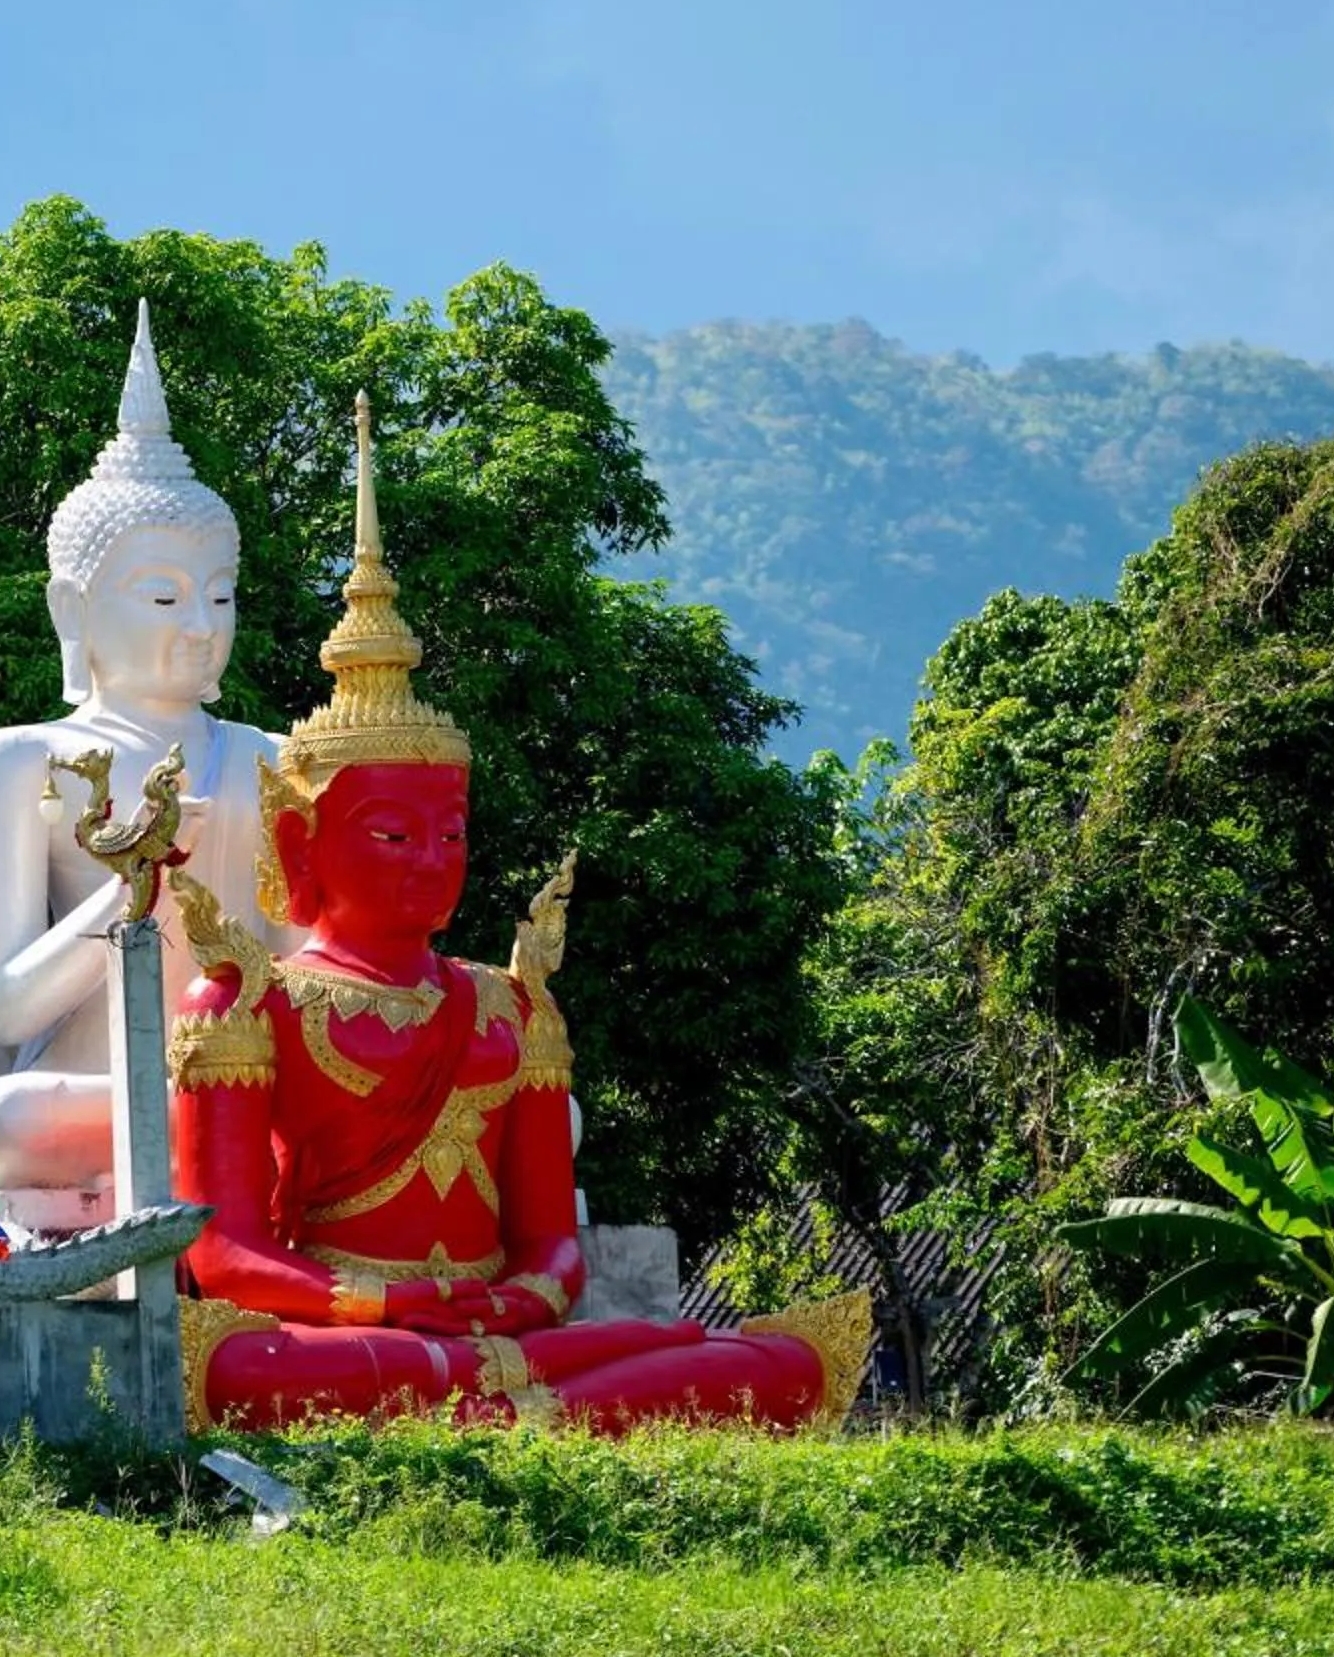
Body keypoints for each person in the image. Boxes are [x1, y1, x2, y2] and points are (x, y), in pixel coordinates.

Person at [167, 396, 868, 1434]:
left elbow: (553, 1243)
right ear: (303, 844)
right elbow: (220, 1254)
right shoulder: (243, 1000)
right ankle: (552, 1409)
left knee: (714, 1350)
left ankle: (498, 1401)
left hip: (500, 1327)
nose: (432, 863)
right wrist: (385, 1302)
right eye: (394, 837)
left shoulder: (509, 1005)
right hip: (348, 1329)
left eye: (450, 835)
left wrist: (520, 1300)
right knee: (243, 1372)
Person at [0, 301, 297, 1229]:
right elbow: (4, 1007)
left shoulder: (279, 758)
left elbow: (310, 972)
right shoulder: (19, 759)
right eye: (163, 595)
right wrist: (129, 885)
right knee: (1, 1121)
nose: (201, 626)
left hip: (260, 1077)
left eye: (220, 597)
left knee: (536, 1105)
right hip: (86, 1092)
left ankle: (231, 1126)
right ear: (74, 610)